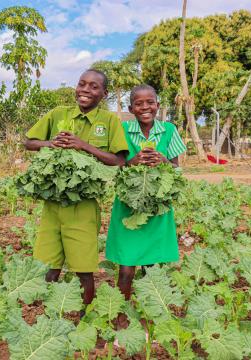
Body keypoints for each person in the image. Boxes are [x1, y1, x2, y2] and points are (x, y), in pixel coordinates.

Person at [24, 69, 129, 309]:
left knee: (83, 271)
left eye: (93, 87)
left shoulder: (110, 121)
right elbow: (29, 142)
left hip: (83, 207)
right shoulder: (58, 114)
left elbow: (118, 160)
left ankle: (85, 319)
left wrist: (83, 146)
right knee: (47, 268)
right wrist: (51, 143)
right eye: (82, 84)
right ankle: (50, 316)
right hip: (53, 205)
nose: (85, 90)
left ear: (104, 93)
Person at [105, 84, 186, 300]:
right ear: (131, 109)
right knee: (126, 269)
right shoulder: (122, 131)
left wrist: (163, 160)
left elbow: (176, 168)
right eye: (138, 103)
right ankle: (121, 313)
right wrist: (133, 161)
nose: (145, 107)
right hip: (129, 207)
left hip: (157, 208)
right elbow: (116, 163)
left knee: (152, 267)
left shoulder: (169, 130)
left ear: (158, 106)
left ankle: (150, 311)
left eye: (150, 102)